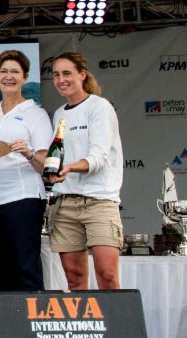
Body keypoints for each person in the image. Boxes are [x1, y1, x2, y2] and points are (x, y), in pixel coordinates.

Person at [0, 50, 54, 291]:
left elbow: (47, 164)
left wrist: (29, 154)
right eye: (3, 71)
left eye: (14, 72)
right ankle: (7, 327)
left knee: (25, 269)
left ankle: (32, 326)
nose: (8, 76)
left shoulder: (36, 114)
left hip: (23, 199)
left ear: (24, 77)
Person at [48, 51, 123, 289]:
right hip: (66, 203)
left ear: (82, 74)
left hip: (99, 201)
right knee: (74, 278)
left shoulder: (99, 107)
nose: (61, 80)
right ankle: (85, 326)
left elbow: (99, 157)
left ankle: (116, 326)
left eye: (67, 73)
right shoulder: (59, 114)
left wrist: (70, 167)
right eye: (56, 75)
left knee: (107, 275)